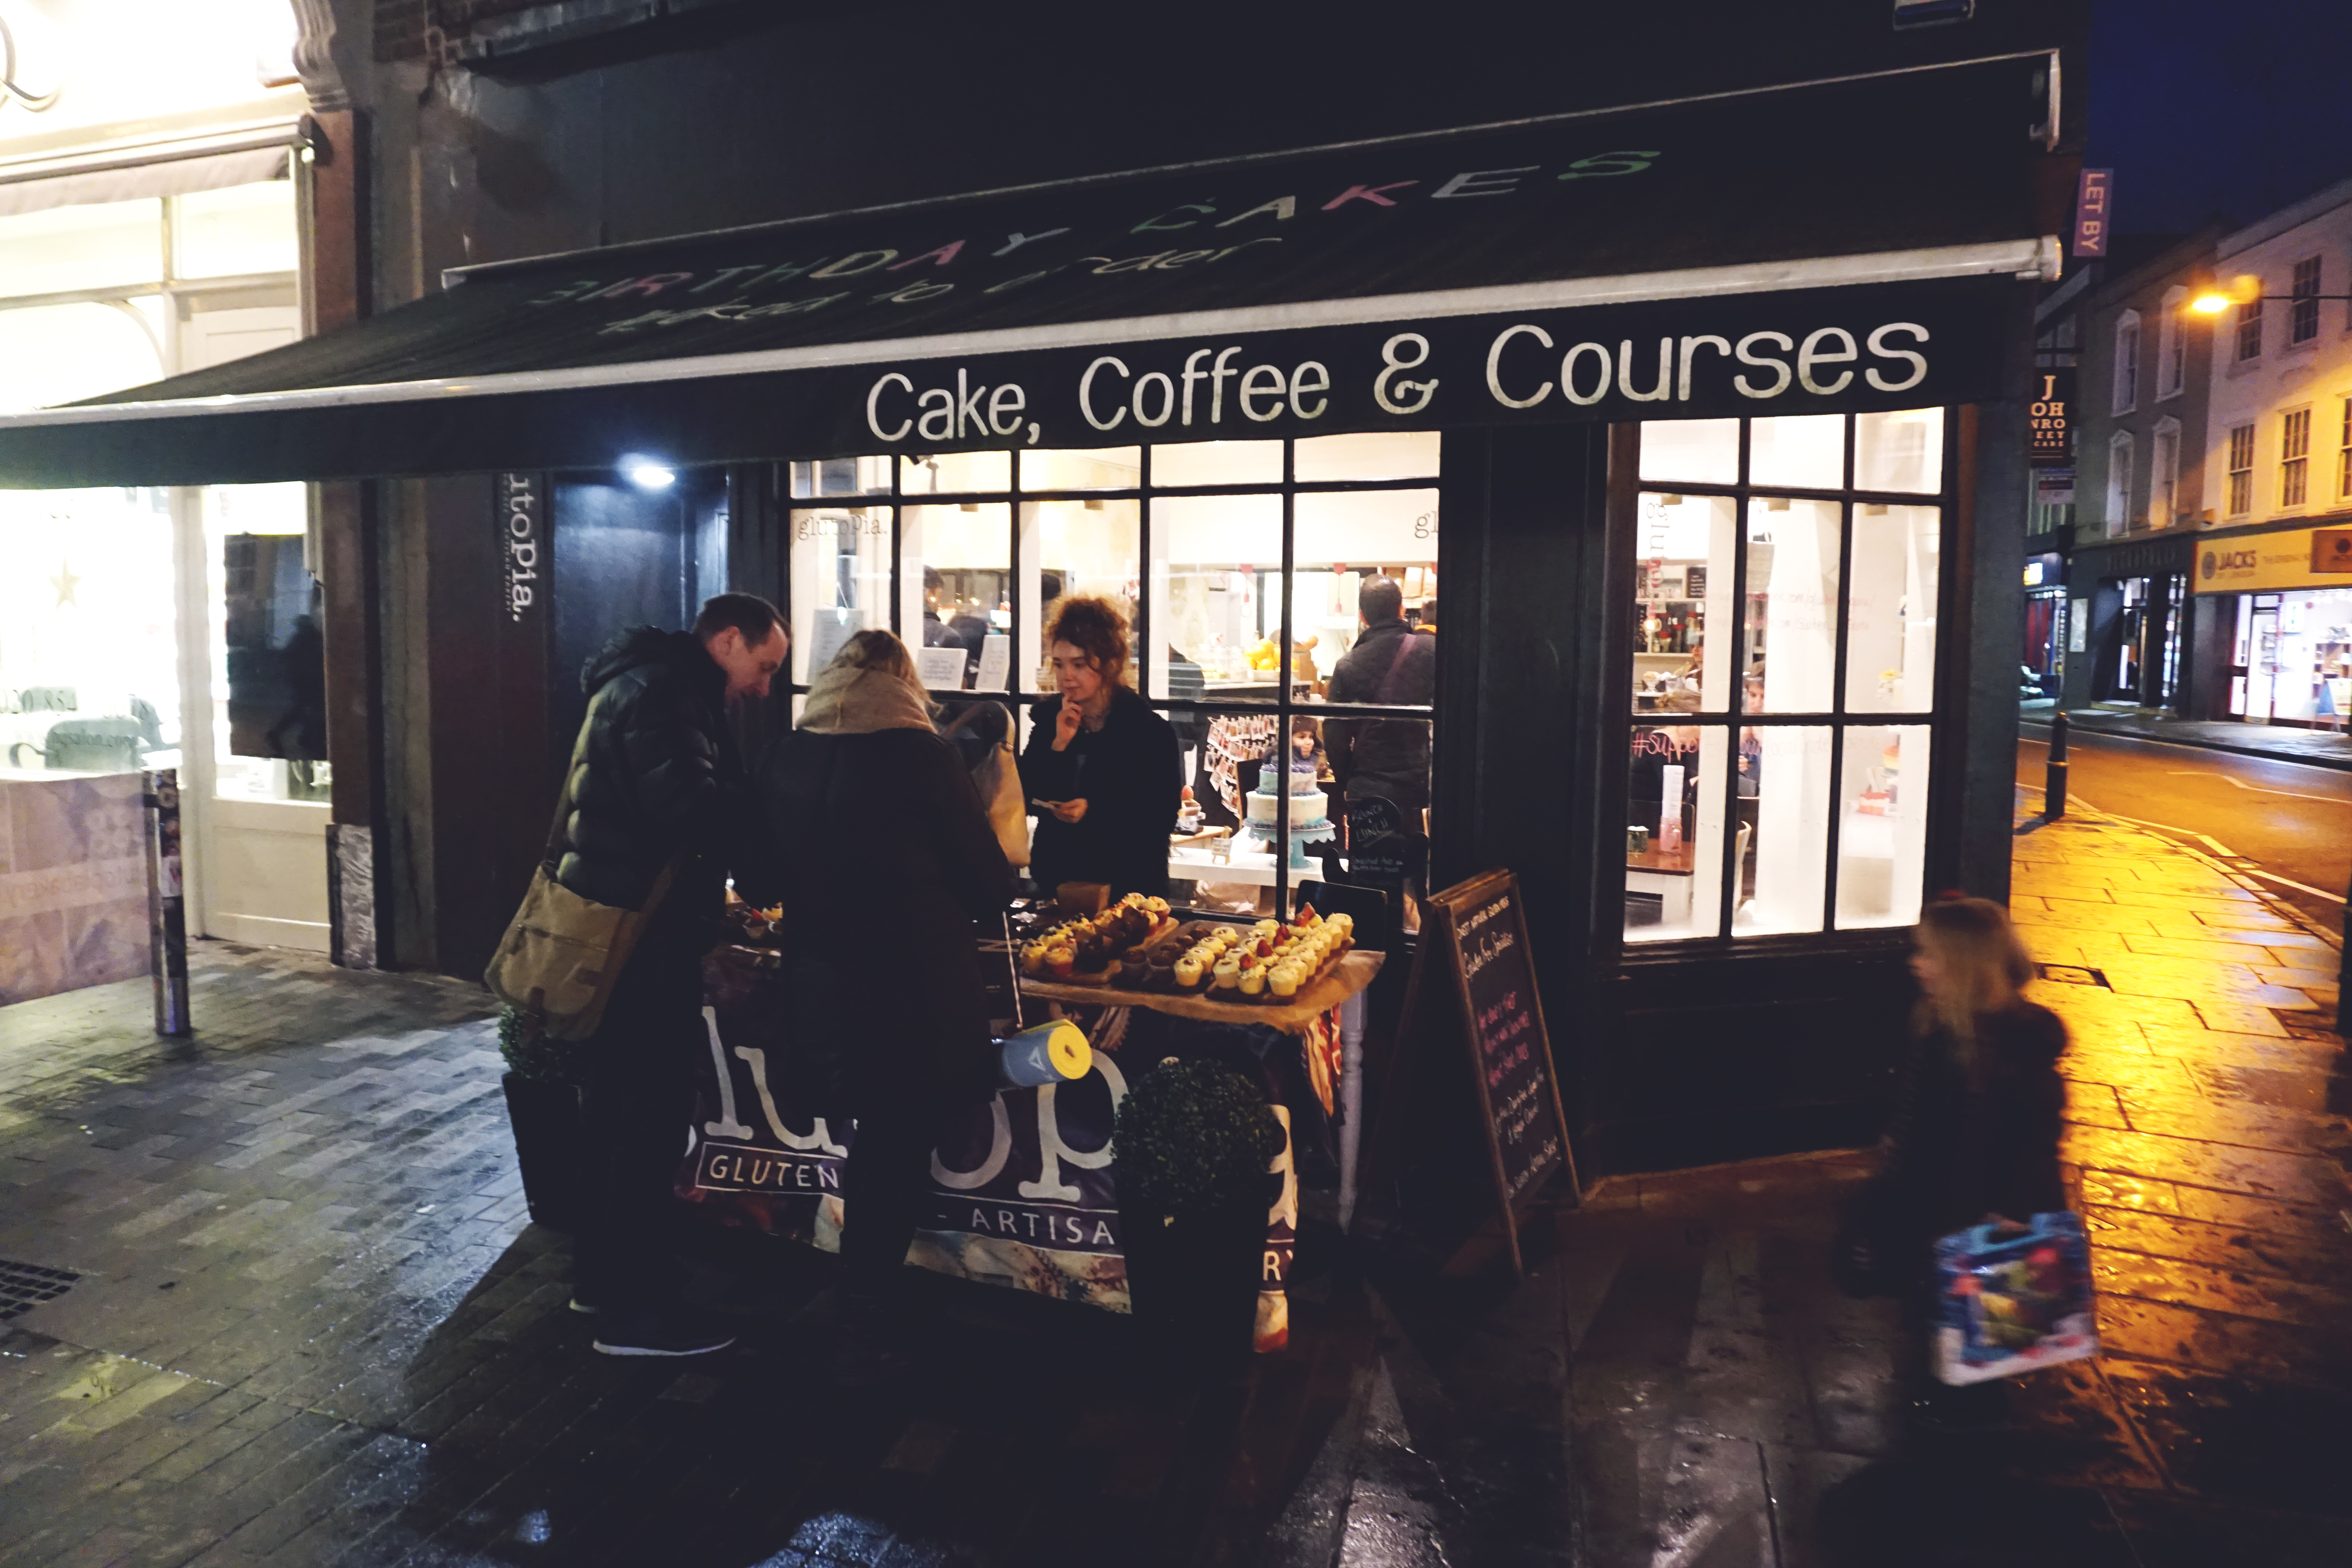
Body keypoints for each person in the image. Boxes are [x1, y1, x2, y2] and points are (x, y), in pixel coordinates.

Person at [753, 630, 1013, 1383]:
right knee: (895, 1152)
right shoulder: (923, 759)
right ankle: (863, 1323)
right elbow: (989, 886)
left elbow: (759, 873)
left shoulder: (785, 754)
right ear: (906, 688)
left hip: (821, 989)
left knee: (874, 1145)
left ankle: (862, 1306)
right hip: (913, 995)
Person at [562, 592, 787, 1357]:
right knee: (644, 1119)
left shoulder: (640, 682)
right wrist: (762, 797)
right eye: (763, 666)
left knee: (614, 1112)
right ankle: (637, 1311)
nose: (763, 687)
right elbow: (688, 808)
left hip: (620, 929)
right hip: (642, 940)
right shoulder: (665, 693)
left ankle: (602, 1276)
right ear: (728, 641)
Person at [1878, 895, 2068, 1432]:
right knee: (1938, 1311)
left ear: (1961, 963)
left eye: (1929, 953)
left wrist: (2015, 1207)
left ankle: (1970, 1423)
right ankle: (1940, 1398)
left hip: (1981, 1207)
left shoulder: (2016, 1041)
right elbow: (1923, 1103)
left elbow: (2037, 1136)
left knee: (1984, 1325)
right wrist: (1898, 1138)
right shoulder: (1938, 1021)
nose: (1917, 962)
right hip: (1934, 1194)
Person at [1020, 594, 1181, 899]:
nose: (1066, 676)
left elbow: (1161, 816)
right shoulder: (1048, 722)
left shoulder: (1148, 731)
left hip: (1129, 887)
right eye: (1059, 664)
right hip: (1059, 883)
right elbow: (1026, 796)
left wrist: (1093, 811)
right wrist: (1059, 746)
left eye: (1079, 664)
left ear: (1109, 664)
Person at [1325, 575, 1436, 889]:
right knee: (1420, 880)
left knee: (1372, 882)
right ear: (1402, 609)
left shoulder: (1348, 664)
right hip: (1419, 787)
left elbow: (1334, 735)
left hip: (1371, 792)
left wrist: (1351, 779)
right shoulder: (1432, 652)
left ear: (1362, 617)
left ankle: (1374, 936)